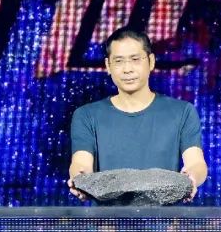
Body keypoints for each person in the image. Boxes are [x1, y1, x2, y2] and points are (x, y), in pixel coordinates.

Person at [67, 27, 207, 201]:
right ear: (108, 66)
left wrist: (191, 178)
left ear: (151, 61)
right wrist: (80, 179)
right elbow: (80, 162)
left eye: (135, 59)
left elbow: (196, 162)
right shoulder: (87, 115)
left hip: (164, 217)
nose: (128, 69)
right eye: (119, 61)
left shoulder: (182, 111)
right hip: (107, 218)